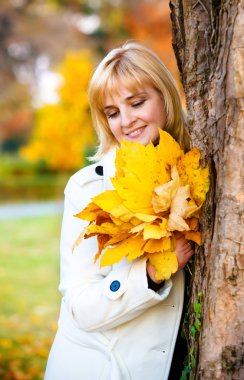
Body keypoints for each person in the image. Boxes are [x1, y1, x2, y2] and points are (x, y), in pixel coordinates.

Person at [44, 41, 194, 380]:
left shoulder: (199, 170)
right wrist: (151, 274)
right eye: (112, 113)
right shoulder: (88, 190)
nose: (126, 121)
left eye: (137, 103)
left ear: (165, 98)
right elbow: (81, 307)